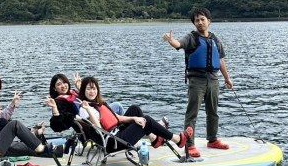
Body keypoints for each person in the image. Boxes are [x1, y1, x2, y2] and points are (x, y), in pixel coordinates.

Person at [162, 8, 233, 157]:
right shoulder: (191, 38)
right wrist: (170, 41)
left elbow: (220, 60)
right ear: (194, 23)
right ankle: (190, 144)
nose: (200, 22)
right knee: (192, 113)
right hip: (197, 80)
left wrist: (227, 78)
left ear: (209, 21)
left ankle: (212, 140)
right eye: (197, 20)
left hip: (213, 79)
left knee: (213, 111)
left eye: (202, 19)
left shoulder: (215, 40)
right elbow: (178, 44)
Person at [77, 76, 192, 151]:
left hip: (116, 133)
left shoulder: (96, 104)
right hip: (113, 142)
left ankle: (154, 139)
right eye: (88, 89)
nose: (92, 91)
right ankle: (177, 139)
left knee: (135, 109)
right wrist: (88, 109)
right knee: (146, 120)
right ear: (83, 91)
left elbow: (115, 118)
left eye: (94, 88)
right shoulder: (85, 109)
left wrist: (134, 118)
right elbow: (98, 128)